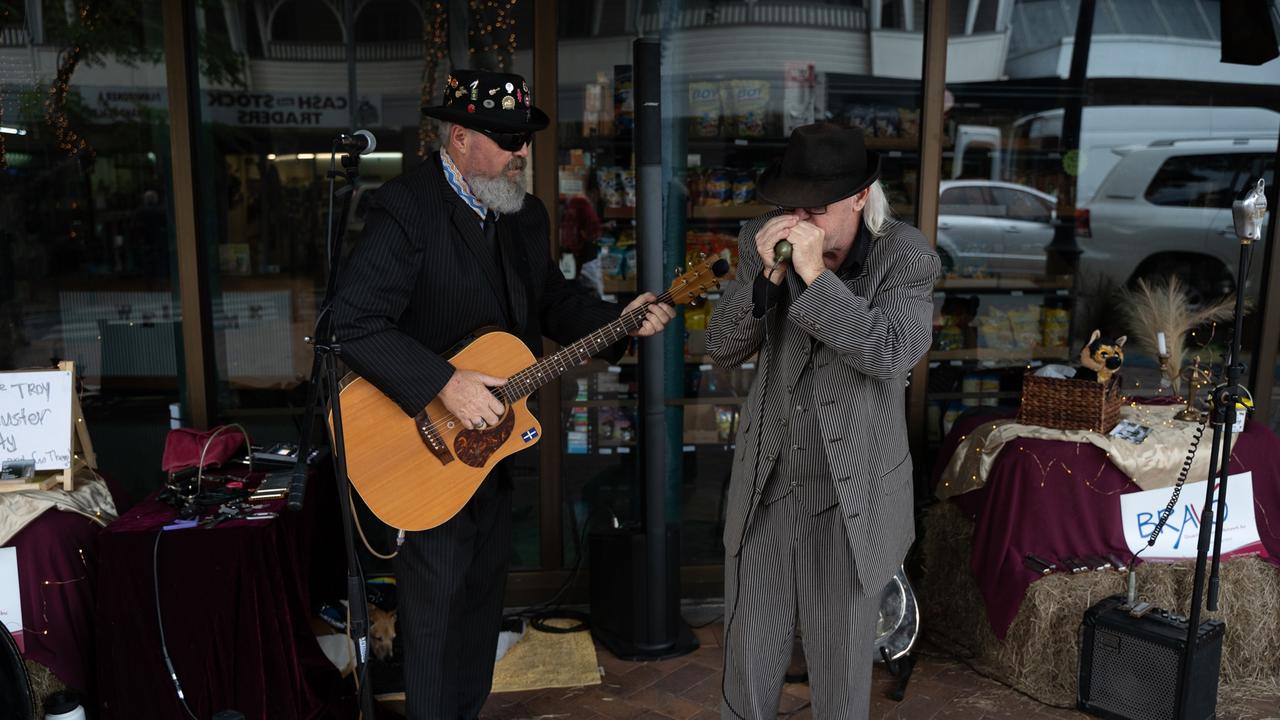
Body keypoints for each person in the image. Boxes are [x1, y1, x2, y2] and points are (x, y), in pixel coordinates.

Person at [331, 68, 674, 719]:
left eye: (525, 139)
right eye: (507, 138)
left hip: (487, 454)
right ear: (459, 137)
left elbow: (551, 301)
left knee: (480, 609)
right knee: (432, 622)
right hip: (422, 453)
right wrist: (444, 384)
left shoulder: (523, 213)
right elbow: (353, 324)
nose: (522, 152)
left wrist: (618, 323)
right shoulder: (407, 210)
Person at [706, 122, 939, 720]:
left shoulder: (906, 256)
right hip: (768, 486)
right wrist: (766, 276)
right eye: (793, 206)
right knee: (747, 662)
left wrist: (814, 278)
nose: (803, 222)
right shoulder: (760, 240)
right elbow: (723, 347)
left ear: (861, 196)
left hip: (850, 498)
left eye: (819, 207)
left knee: (840, 676)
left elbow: (888, 354)